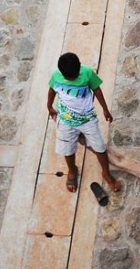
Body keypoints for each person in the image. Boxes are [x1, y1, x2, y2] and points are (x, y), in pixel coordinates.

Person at [47, 52, 121, 194]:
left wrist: (105, 109)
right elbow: (51, 90)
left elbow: (97, 90)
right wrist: (49, 106)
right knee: (67, 150)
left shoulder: (87, 73)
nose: (72, 79)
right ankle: (72, 170)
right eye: (68, 78)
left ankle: (106, 172)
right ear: (61, 73)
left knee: (100, 147)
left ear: (80, 66)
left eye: (74, 76)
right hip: (65, 121)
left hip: (87, 120)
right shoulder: (56, 75)